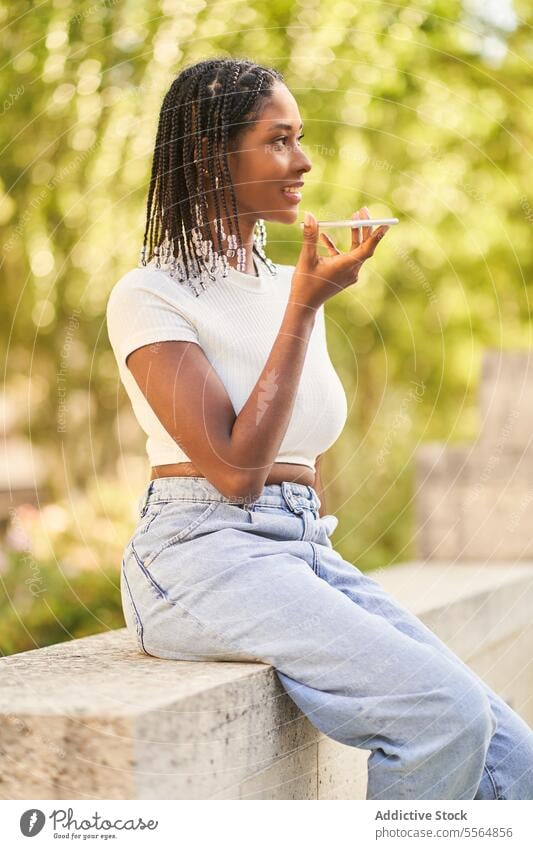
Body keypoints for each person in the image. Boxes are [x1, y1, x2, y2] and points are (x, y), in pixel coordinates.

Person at [106, 56, 533, 800]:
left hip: (300, 547)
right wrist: (304, 307)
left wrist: (301, 298)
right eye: (277, 140)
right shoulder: (149, 294)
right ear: (211, 153)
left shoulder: (287, 278)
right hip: (199, 555)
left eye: (299, 137)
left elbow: (299, 453)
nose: (302, 161)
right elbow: (237, 473)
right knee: (442, 717)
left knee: (515, 758)